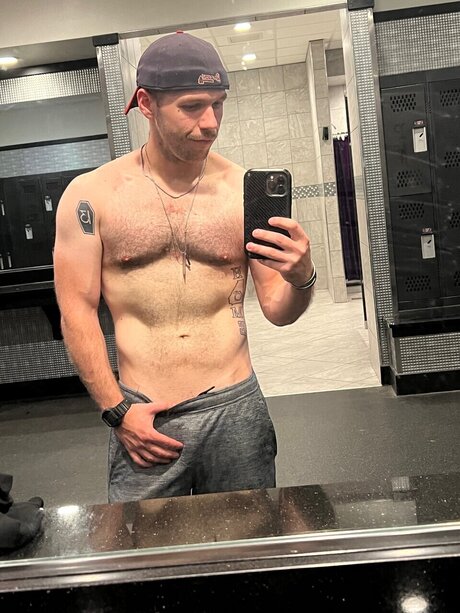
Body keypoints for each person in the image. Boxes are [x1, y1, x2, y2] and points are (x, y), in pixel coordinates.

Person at [53, 31, 316, 503]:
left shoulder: (242, 192)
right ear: (146, 104)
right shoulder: (92, 195)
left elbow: (278, 310)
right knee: (144, 543)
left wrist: (302, 278)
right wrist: (117, 411)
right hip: (144, 415)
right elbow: (76, 311)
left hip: (236, 408)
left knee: (250, 536)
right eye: (192, 106)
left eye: (218, 105)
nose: (210, 123)